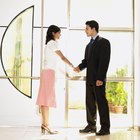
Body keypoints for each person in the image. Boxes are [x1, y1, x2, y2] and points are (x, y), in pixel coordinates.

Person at [74, 20, 111, 136]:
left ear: (93, 29)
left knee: (101, 104)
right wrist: (79, 67)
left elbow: (104, 62)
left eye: (87, 28)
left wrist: (100, 78)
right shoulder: (88, 45)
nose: (85, 31)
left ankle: (105, 128)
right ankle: (91, 125)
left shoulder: (104, 42)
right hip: (89, 79)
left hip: (98, 80)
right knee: (90, 103)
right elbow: (86, 61)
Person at [36, 25, 74, 134]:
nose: (60, 34)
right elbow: (62, 57)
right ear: (53, 33)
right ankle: (46, 125)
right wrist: (72, 66)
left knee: (45, 99)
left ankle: (45, 124)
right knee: (45, 99)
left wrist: (65, 72)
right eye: (59, 32)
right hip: (48, 74)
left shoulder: (49, 44)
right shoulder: (52, 43)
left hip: (48, 73)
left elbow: (54, 63)